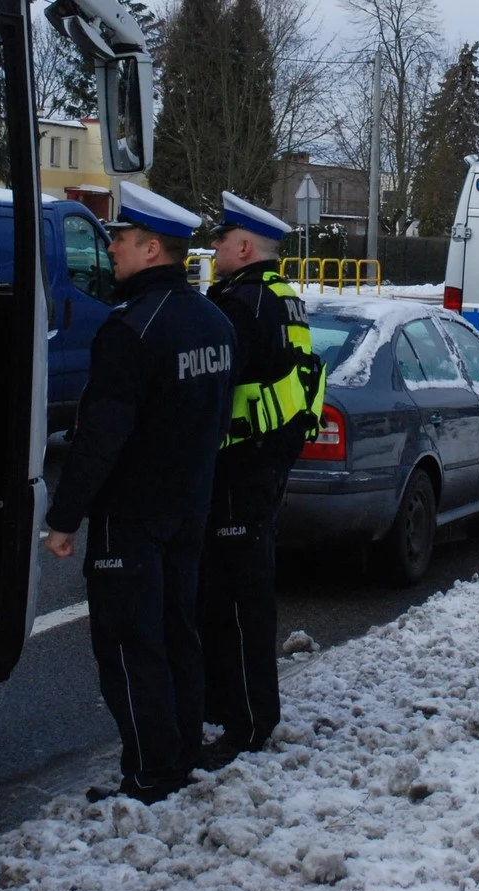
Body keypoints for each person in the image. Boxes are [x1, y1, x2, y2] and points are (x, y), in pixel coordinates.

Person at [44, 181, 236, 804]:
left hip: (133, 514)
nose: (113, 251)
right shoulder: (213, 320)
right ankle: (180, 754)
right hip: (189, 507)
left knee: (130, 644)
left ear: (152, 248)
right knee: (178, 630)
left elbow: (101, 437)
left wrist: (64, 517)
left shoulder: (130, 331)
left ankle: (151, 773)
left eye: (121, 241)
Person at [197, 191, 324, 770]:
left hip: (238, 465)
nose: (215, 247)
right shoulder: (283, 297)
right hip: (265, 464)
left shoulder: (241, 303)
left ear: (244, 246)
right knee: (245, 593)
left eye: (221, 239)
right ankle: (245, 712)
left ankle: (246, 722)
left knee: (235, 601)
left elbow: (214, 388)